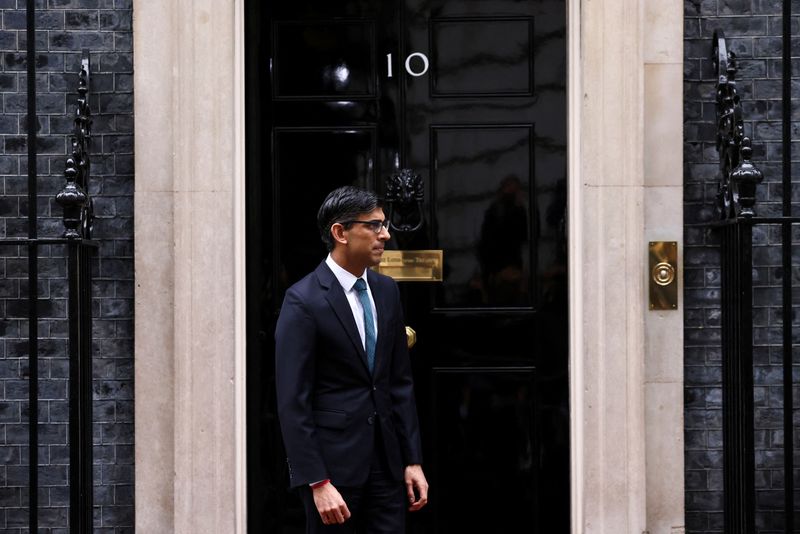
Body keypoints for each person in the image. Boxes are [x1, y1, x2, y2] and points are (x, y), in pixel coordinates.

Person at [275, 186, 429, 533]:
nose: (385, 234)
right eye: (374, 226)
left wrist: (412, 459)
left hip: (387, 467)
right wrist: (316, 481)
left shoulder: (387, 291)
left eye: (384, 224)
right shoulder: (303, 300)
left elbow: (399, 384)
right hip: (333, 470)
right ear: (340, 233)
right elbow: (292, 402)